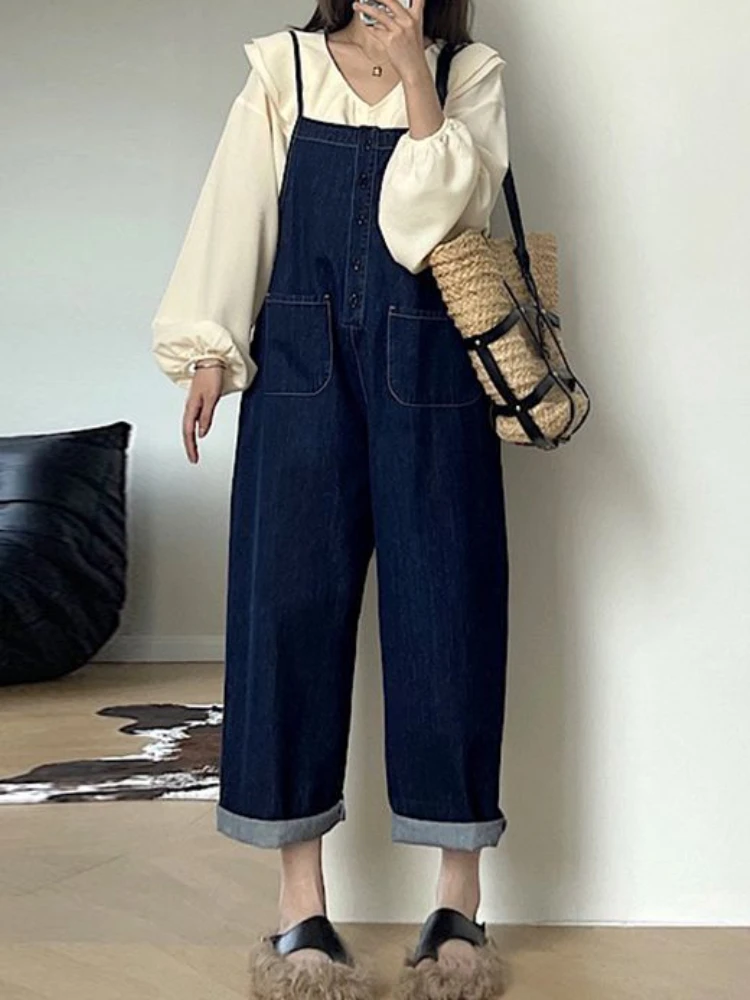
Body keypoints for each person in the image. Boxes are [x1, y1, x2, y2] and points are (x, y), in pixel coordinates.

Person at [152, 1, 511, 997]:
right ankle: (298, 907)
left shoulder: (471, 74)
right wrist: (210, 349)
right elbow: (237, 210)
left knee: (448, 611)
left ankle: (458, 903)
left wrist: (418, 78)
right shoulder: (286, 68)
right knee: (287, 611)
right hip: (297, 366)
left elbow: (431, 225)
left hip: (434, 373)